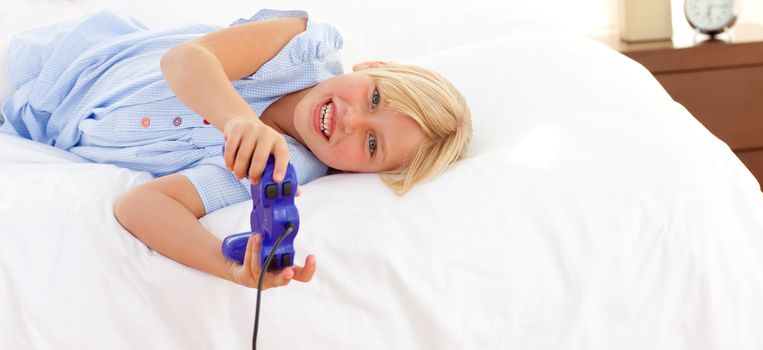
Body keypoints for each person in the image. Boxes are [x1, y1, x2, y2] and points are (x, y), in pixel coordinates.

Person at [0, 9, 471, 290]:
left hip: (42, 131)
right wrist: (238, 120)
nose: (352, 119)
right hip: (62, 63)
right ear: (373, 66)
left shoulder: (286, 168)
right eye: (374, 98)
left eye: (371, 144)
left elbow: (141, 205)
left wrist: (228, 266)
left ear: (358, 175)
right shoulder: (299, 46)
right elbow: (185, 58)